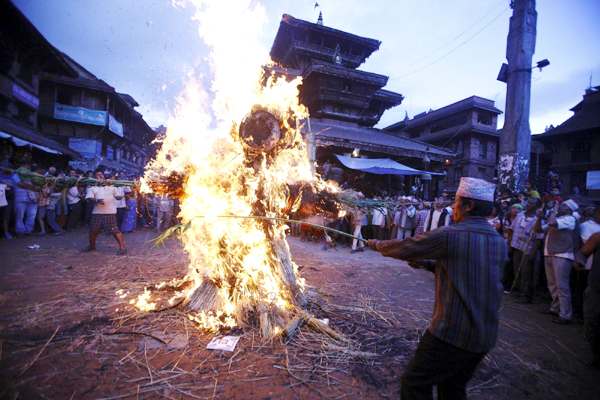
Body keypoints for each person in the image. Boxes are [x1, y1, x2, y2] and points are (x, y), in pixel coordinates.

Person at [367, 177, 506, 399]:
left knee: (414, 382)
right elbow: (467, 271)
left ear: (468, 206)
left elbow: (408, 246)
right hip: (484, 336)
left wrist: (376, 245)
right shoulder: (498, 240)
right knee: (452, 387)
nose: (452, 207)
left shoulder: (452, 234)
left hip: (452, 333)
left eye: (457, 201)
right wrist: (428, 263)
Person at [535, 199, 579, 324]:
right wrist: (538, 218)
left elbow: (552, 222)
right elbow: (539, 230)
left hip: (563, 254)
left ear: (570, 210)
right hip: (550, 253)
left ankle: (565, 315)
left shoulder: (570, 219)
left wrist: (554, 209)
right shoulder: (558, 219)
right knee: (552, 284)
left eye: (563, 206)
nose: (560, 207)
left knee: (562, 286)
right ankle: (555, 309)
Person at [81, 171, 127, 255]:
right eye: (97, 175)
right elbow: (89, 198)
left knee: (115, 230)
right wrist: (97, 200)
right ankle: (92, 246)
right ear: (95, 178)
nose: (100, 176)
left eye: (101, 174)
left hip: (110, 212)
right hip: (97, 212)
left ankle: (122, 247)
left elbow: (117, 196)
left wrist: (119, 197)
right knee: (93, 231)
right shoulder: (92, 188)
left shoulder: (112, 187)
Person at [507, 198, 544, 303]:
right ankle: (518, 291)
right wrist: (510, 244)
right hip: (517, 245)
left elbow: (539, 237)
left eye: (532, 204)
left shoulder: (537, 219)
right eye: (528, 202)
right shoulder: (520, 215)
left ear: (536, 207)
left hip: (528, 248)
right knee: (516, 270)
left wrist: (533, 251)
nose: (528, 204)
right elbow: (511, 229)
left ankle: (526, 295)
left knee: (526, 273)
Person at [574, 232, 600, 367]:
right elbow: (582, 253)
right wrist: (580, 261)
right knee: (592, 322)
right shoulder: (597, 236)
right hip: (596, 288)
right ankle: (596, 353)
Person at [12, 162, 41, 237]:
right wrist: (33, 187)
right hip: (20, 198)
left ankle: (28, 230)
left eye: (29, 166)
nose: (28, 167)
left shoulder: (31, 176)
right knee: (19, 216)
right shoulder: (16, 175)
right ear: (21, 166)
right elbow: (21, 184)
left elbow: (37, 184)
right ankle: (20, 231)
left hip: (33, 198)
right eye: (26, 165)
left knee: (32, 215)